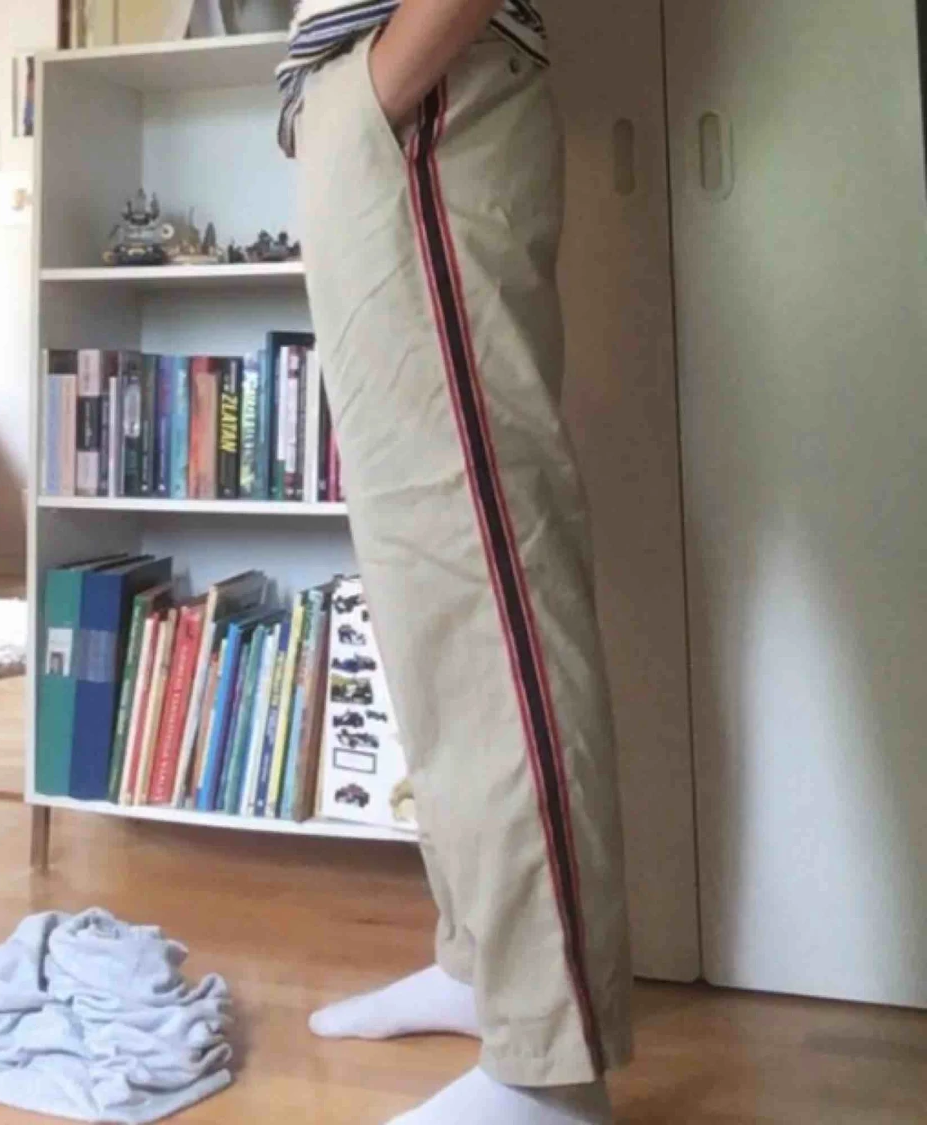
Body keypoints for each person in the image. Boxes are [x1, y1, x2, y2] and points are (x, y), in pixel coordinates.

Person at [278, 1, 634, 1122]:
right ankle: (483, 968)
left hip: (421, 88)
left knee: (482, 580)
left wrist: (389, 80)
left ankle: (548, 1065)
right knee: (425, 585)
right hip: (368, 106)